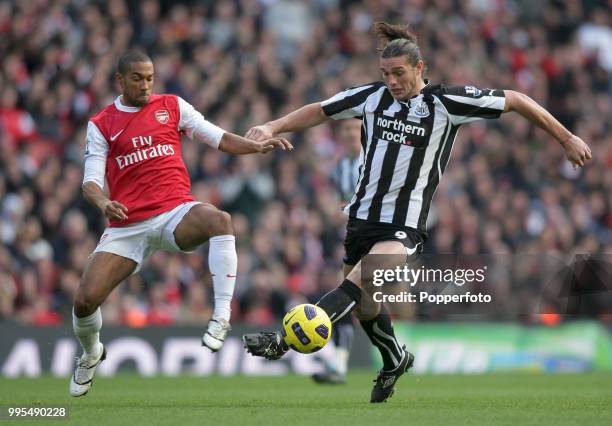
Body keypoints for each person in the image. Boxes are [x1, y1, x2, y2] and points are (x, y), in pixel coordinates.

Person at [242, 22, 591, 403]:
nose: (391, 81)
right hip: (361, 221)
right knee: (365, 308)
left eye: (399, 73)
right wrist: (272, 125)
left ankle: (281, 343)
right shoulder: (372, 97)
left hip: (403, 227)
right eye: (385, 74)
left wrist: (566, 137)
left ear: (419, 68)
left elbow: (516, 99)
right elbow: (321, 110)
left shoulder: (446, 104)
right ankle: (395, 359)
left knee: (359, 282)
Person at [70, 50, 291, 397]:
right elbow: (90, 180)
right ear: (120, 80)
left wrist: (255, 148)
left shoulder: (172, 106)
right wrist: (103, 202)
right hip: (128, 224)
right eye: (137, 78)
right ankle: (91, 353)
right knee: (84, 301)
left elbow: (217, 137)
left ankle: (221, 316)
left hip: (175, 212)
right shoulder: (101, 124)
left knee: (221, 220)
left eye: (150, 78)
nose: (145, 85)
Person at [312, 118, 362, 385]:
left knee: (353, 301)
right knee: (350, 301)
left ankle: (340, 363)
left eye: (356, 128)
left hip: (380, 241)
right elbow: (342, 203)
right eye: (347, 129)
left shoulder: (374, 161)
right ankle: (339, 364)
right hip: (353, 243)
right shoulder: (341, 167)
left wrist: (343, 210)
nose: (351, 133)